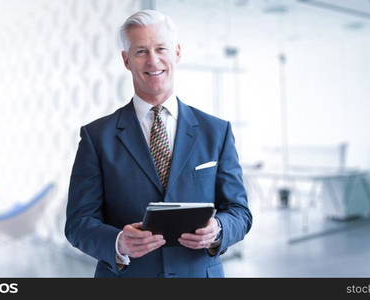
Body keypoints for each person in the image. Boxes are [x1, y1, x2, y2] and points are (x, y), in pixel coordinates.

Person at [65, 9, 252, 278]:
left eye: (160, 48)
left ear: (177, 52)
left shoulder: (217, 131)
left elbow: (240, 212)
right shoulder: (97, 136)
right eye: (140, 51)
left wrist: (218, 229)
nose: (153, 61)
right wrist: (118, 242)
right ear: (126, 60)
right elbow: (78, 223)